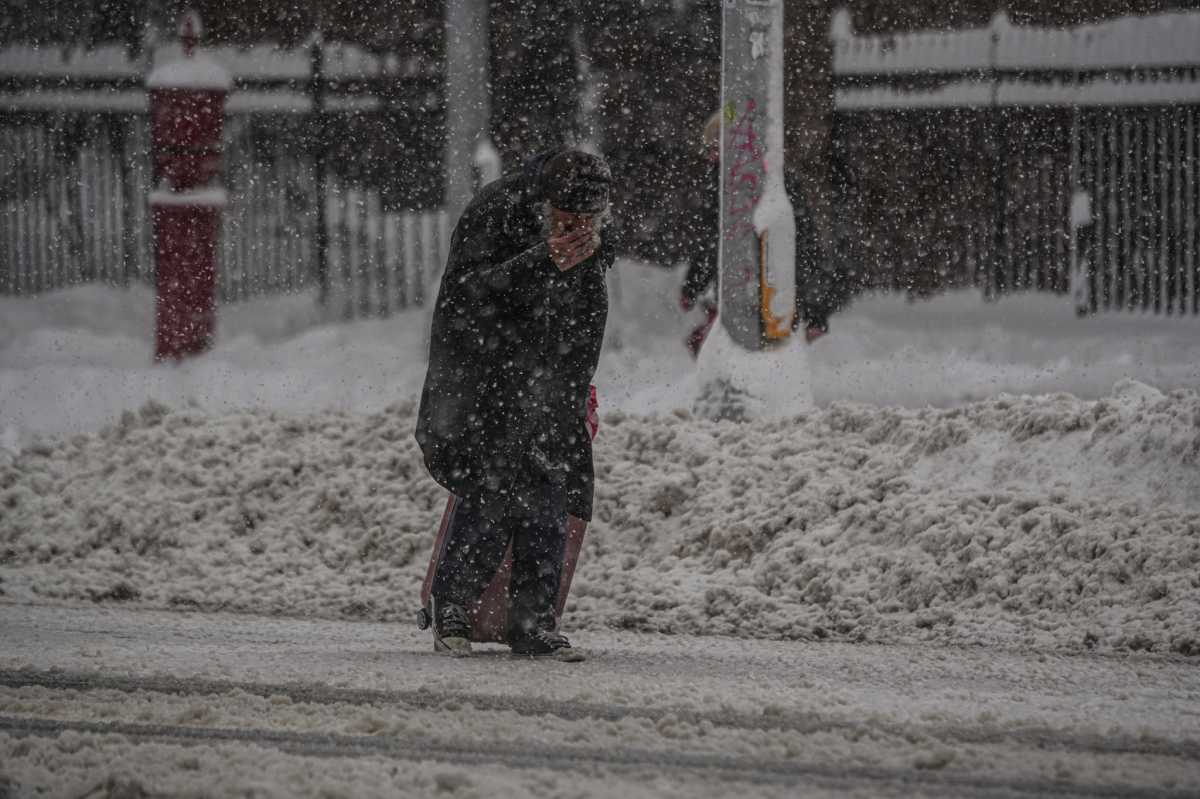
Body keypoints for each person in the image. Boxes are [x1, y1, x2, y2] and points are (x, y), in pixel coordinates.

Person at [415, 148, 613, 662]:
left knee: (549, 495)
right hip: (488, 379)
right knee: (492, 489)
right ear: (545, 204)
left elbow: (586, 312)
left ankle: (533, 623)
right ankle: (452, 606)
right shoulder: (496, 211)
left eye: (588, 222)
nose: (578, 230)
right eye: (567, 220)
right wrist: (540, 261)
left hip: (552, 381)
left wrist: (578, 387)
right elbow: (467, 297)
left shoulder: (587, 234)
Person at [680, 111, 839, 354]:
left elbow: (712, 243)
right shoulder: (773, 182)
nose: (710, 156)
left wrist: (693, 285)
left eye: (714, 147)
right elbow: (806, 249)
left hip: (758, 290)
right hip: (768, 291)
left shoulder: (728, 186)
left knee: (745, 348)